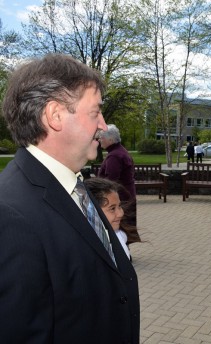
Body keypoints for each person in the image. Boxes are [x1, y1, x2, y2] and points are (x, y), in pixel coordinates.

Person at [0, 54, 139, 342]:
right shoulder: (10, 214)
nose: (103, 125)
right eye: (95, 112)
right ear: (55, 116)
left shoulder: (74, 186)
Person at [85, 177, 142, 260]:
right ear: (91, 211)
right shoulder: (86, 250)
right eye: (112, 208)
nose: (120, 213)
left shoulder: (119, 237)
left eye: (119, 206)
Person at [98, 124, 138, 228]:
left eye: (102, 138)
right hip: (126, 197)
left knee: (122, 232)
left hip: (121, 199)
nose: (99, 140)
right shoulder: (119, 152)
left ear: (110, 139)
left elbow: (110, 181)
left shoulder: (115, 156)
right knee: (126, 233)